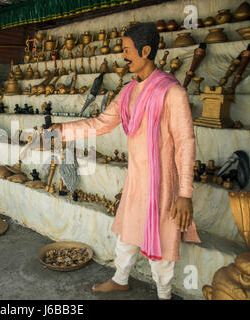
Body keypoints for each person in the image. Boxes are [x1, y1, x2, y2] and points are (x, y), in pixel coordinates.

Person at [48, 22, 201, 300]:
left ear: (145, 50)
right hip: (136, 178)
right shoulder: (128, 91)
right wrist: (63, 130)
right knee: (127, 235)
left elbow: (186, 143)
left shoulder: (173, 93)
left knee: (162, 244)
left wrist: (185, 194)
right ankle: (120, 279)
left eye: (128, 50)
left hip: (163, 182)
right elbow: (101, 123)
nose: (124, 56)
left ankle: (164, 294)